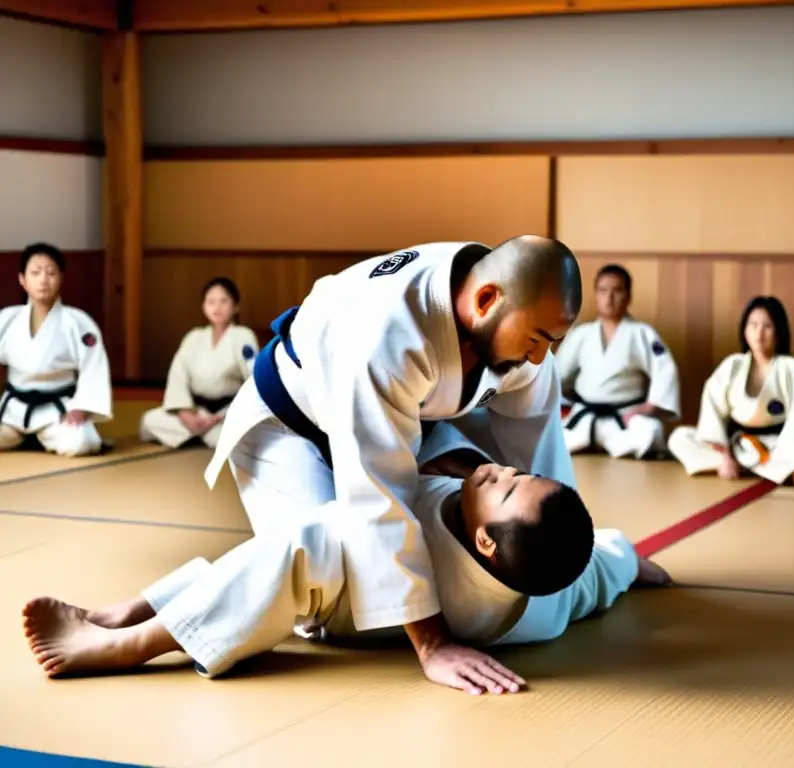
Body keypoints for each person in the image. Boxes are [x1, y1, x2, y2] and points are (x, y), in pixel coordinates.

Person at [21, 417, 672, 689]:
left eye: (503, 485)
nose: (500, 469)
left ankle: (130, 641)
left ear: (482, 541)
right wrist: (627, 559)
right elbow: (584, 573)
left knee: (312, 543)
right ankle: (130, 608)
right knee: (589, 572)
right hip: (525, 590)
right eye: (514, 472)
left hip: (356, 613)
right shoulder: (538, 599)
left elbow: (338, 537)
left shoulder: (427, 562)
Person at [201, 236, 583, 693]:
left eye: (553, 341)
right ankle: (136, 624)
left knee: (496, 502)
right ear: (485, 301)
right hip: (288, 427)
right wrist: (433, 644)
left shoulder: (510, 313)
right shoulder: (387, 331)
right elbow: (377, 496)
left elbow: (542, 469)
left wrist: (575, 552)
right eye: (538, 339)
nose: (541, 356)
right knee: (326, 589)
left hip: (411, 423)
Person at [666, 296, 794, 486]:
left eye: (767, 326)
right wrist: (724, 454)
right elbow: (713, 411)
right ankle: (750, 467)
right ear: (744, 330)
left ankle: (754, 466)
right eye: (753, 325)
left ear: (779, 331)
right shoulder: (732, 365)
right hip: (736, 445)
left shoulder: (791, 368)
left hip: (774, 446)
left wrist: (785, 448)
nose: (759, 332)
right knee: (680, 438)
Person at [555, 264, 680, 459]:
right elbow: (556, 375)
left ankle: (599, 444)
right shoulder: (581, 334)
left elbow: (665, 371)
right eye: (603, 291)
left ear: (628, 296)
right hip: (585, 417)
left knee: (651, 431)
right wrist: (564, 403)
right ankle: (594, 443)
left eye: (617, 291)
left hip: (625, 418)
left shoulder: (642, 333)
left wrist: (649, 407)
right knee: (542, 434)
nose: (609, 298)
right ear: (595, 295)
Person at [0, 242, 112, 457]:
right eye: (35, 272)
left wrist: (82, 406)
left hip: (57, 410)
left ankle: (44, 436)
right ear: (22, 280)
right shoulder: (7, 319)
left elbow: (93, 366)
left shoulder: (77, 322)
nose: (43, 279)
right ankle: (24, 437)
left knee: (82, 443)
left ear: (61, 278)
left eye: (51, 272)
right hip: (12, 410)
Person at [139, 277, 259, 449]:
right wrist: (185, 414)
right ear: (203, 306)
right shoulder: (193, 337)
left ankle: (198, 435)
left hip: (228, 412)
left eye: (223, 301)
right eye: (211, 302)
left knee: (241, 435)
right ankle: (200, 432)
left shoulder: (243, 336)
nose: (217, 308)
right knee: (149, 420)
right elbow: (178, 377)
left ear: (235, 306)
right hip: (197, 411)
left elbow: (254, 380)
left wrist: (220, 416)